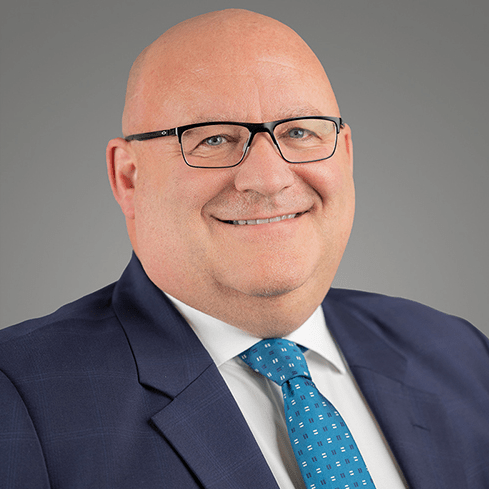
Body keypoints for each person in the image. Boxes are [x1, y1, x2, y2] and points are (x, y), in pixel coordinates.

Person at [0, 9, 488, 489]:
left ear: (346, 154)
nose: (269, 178)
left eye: (299, 131)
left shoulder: (461, 355)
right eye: (213, 138)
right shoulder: (19, 396)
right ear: (129, 178)